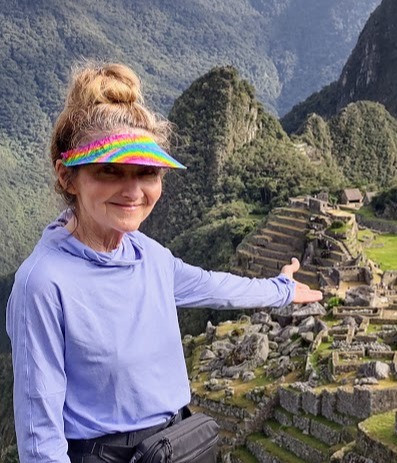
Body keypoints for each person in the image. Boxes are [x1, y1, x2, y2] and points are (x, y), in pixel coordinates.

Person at [6, 62, 322, 463]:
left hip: (179, 445)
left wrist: (282, 290)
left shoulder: (147, 255)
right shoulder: (43, 284)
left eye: (148, 172)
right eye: (109, 171)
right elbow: (40, 436)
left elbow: (215, 286)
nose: (133, 190)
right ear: (68, 177)